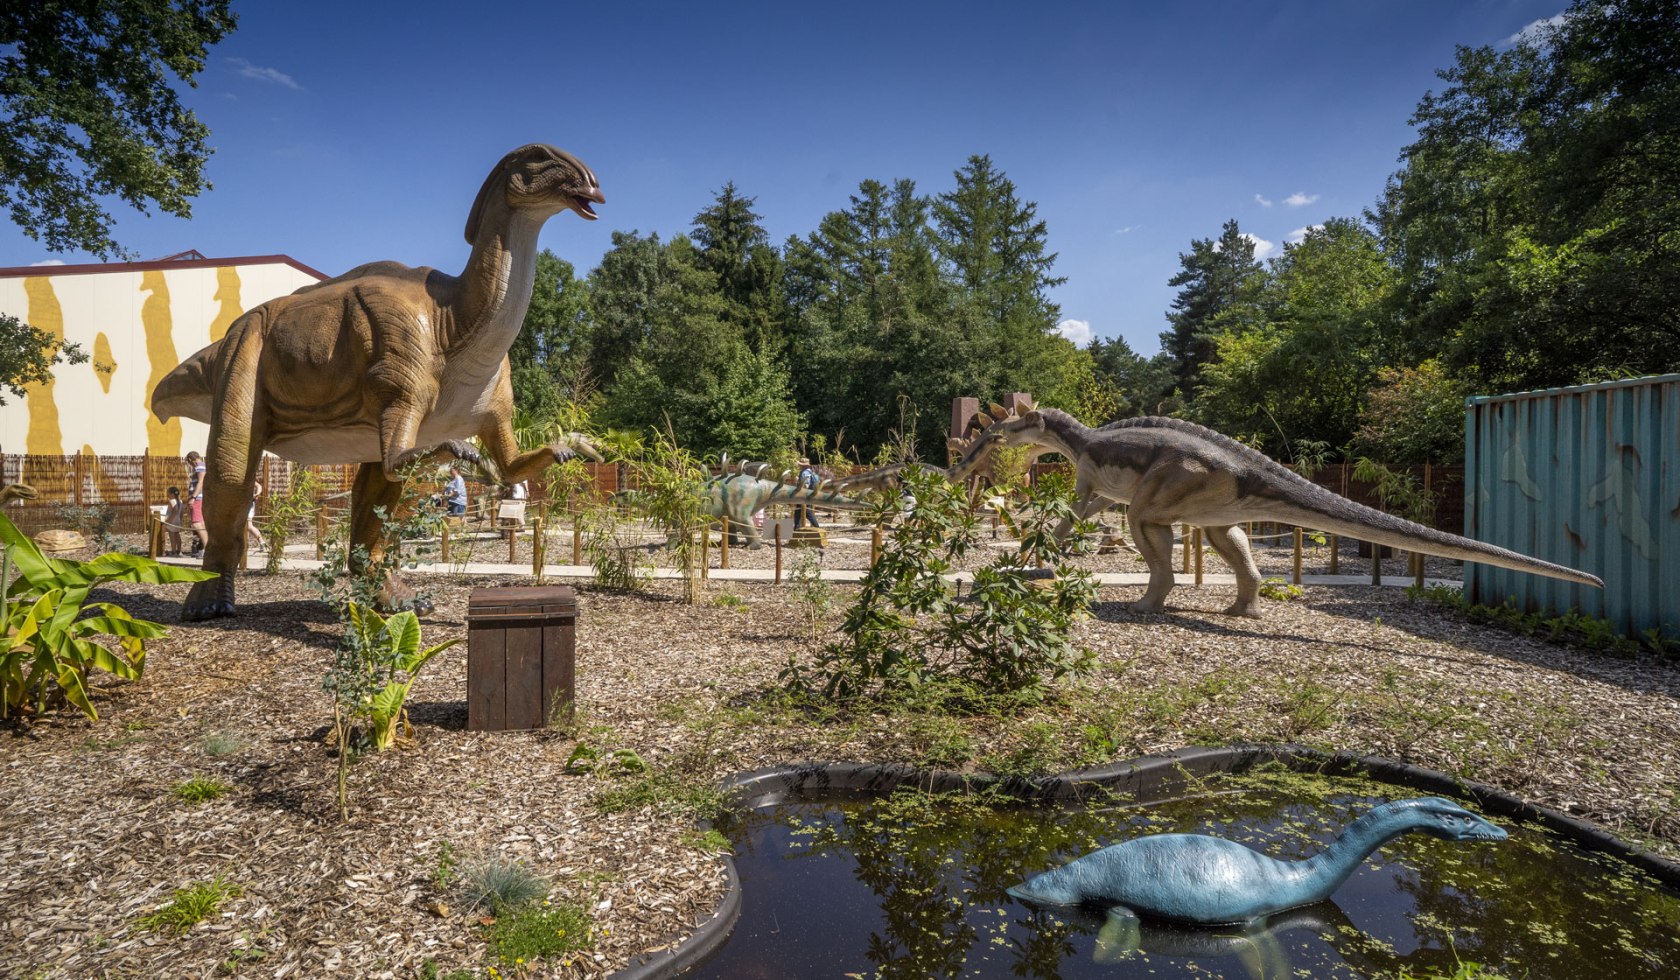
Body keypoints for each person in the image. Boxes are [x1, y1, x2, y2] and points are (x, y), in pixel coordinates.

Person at [184, 451, 207, 556]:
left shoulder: (199, 466)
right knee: (201, 523)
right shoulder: (201, 465)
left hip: (198, 498)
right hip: (199, 498)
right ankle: (205, 549)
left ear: (190, 459)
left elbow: (201, 482)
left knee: (196, 523)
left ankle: (207, 549)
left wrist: (193, 497)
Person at [793, 457, 821, 529]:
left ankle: (817, 528)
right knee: (798, 513)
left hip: (804, 495)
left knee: (807, 512)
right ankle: (796, 529)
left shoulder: (804, 472)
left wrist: (797, 481)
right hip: (808, 495)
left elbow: (806, 485)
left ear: (802, 465)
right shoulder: (810, 471)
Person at [162, 486, 185, 556]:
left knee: (172, 536)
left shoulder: (172, 501)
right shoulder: (180, 501)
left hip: (172, 521)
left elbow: (175, 510)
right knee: (177, 535)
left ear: (172, 494)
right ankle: (179, 550)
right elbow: (182, 511)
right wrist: (180, 519)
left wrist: (168, 520)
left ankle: (174, 551)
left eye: (168, 493)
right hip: (177, 521)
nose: (167, 495)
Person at [245, 481, 265, 554]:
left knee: (249, 526)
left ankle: (261, 541)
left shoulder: (247, 478)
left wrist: (257, 494)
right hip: (243, 503)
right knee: (245, 526)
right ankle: (245, 545)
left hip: (248, 503)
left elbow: (258, 486)